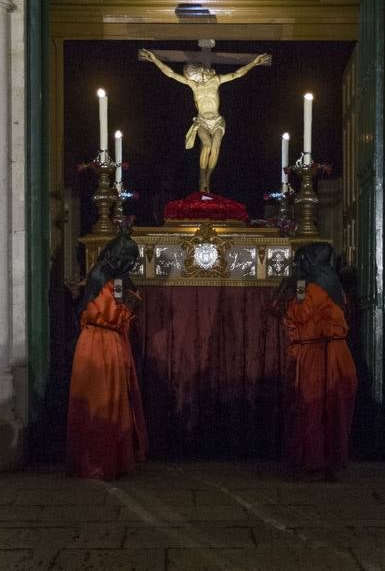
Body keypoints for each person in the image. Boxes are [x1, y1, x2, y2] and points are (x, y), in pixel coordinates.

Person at [66, 232, 148, 479]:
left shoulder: (96, 274)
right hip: (105, 343)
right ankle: (102, 463)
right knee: (105, 402)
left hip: (89, 342)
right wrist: (133, 302)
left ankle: (88, 462)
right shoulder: (116, 281)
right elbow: (116, 316)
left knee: (90, 402)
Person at [277, 241, 357, 477]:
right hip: (332, 353)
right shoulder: (334, 284)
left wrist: (299, 286)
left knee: (312, 407)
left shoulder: (314, 287)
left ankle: (315, 461)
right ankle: (330, 459)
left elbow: (298, 313)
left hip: (319, 355)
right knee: (331, 409)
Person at [139, 48, 270, 192]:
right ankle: (202, 177)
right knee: (206, 145)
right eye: (191, 76)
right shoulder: (194, 86)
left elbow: (237, 74)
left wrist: (254, 63)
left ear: (201, 72)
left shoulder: (216, 80)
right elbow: (171, 74)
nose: (193, 78)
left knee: (215, 148)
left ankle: (208, 178)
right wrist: (154, 60)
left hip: (217, 121)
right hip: (201, 121)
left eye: (194, 75)